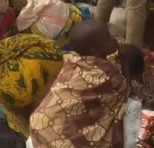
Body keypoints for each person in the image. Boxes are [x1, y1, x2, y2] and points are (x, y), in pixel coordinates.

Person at [29, 19, 127, 148]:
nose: (114, 38)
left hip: (39, 124)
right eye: (108, 37)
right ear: (95, 51)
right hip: (61, 141)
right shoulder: (107, 74)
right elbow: (124, 91)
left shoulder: (71, 59)